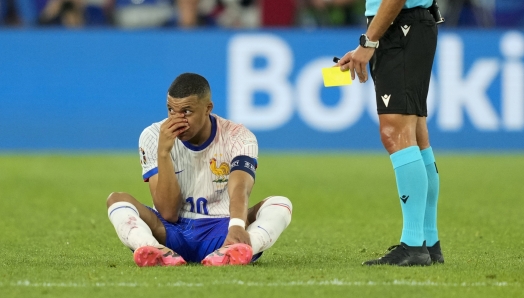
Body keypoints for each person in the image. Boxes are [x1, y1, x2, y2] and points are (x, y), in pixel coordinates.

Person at [106, 73, 292, 267]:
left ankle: (236, 249)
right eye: (171, 110)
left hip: (222, 229)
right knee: (116, 200)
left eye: (186, 111)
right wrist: (163, 153)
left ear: (207, 109)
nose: (177, 120)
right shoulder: (153, 136)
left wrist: (236, 225)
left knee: (280, 204)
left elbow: (240, 187)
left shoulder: (238, 136)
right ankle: (154, 249)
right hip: (170, 232)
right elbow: (168, 212)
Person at [336, 0, 443, 266]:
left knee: (395, 132)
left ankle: (414, 244)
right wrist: (370, 40)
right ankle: (428, 242)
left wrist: (368, 43)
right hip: (405, 25)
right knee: (416, 134)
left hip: (402, 25)